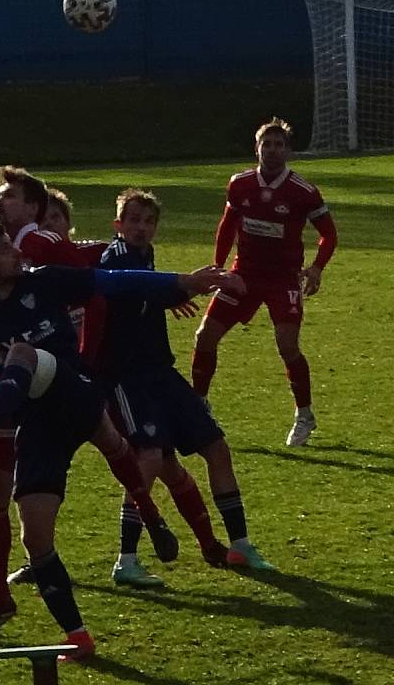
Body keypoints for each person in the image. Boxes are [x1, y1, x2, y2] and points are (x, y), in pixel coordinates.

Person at [0, 221, 229, 657]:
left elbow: (115, 282)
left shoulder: (47, 280)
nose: (16, 253)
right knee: (34, 538)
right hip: (38, 423)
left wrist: (180, 282)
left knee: (23, 357)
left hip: (74, 388)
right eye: (4, 250)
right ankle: (78, 637)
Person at [97, 188, 274, 572]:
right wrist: (189, 284)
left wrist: (172, 294)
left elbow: (143, 292)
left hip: (161, 371)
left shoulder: (144, 256)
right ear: (118, 225)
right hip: (128, 377)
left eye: (148, 221)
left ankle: (240, 544)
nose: (140, 228)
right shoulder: (116, 256)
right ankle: (126, 560)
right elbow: (128, 285)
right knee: (148, 458)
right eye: (133, 220)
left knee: (216, 446)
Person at [0, 167, 107, 646]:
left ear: (32, 206)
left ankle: (147, 529)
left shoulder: (44, 257)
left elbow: (95, 284)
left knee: (123, 446)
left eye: (7, 196)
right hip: (5, 393)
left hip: (56, 390)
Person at [191, 117, 338, 446]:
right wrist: (218, 268)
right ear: (256, 149)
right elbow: (226, 226)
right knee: (205, 336)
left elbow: (329, 234)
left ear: (288, 151)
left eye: (278, 145)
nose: (271, 150)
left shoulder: (303, 192)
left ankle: (305, 415)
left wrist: (316, 268)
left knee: (288, 346)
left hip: (282, 280)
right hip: (242, 275)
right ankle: (198, 405)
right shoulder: (240, 184)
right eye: (266, 144)